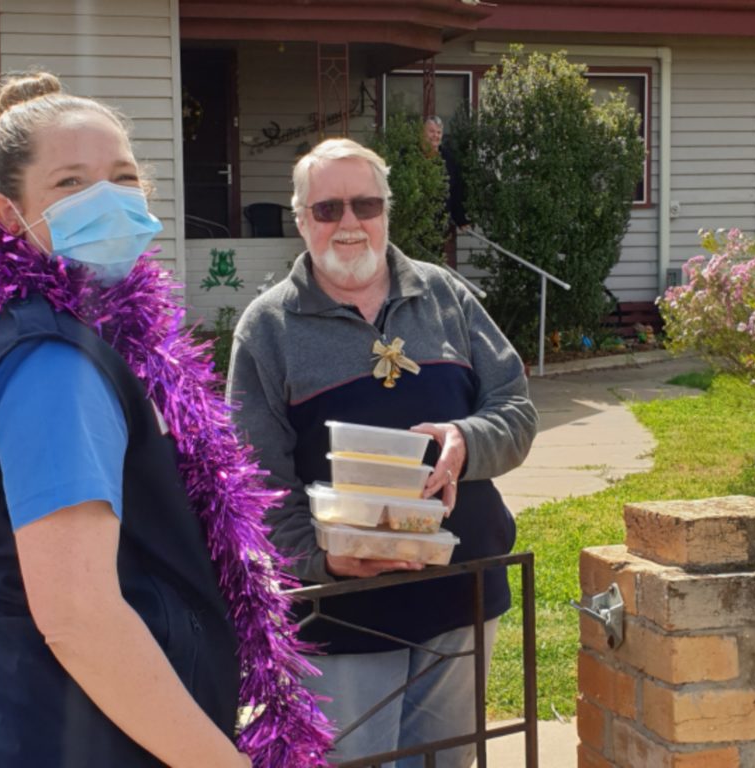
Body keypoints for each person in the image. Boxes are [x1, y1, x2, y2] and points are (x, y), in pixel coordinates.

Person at [0, 72, 329, 768]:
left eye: (122, 176)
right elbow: (81, 618)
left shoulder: (92, 337)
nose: (108, 200)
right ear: (5, 214)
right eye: (71, 184)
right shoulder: (55, 366)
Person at [227, 138, 537, 767]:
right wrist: (318, 561)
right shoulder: (268, 329)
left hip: (462, 591)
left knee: (448, 761)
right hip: (344, 614)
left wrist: (465, 440)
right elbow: (254, 483)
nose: (349, 223)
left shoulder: (446, 296)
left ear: (387, 211)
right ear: (300, 218)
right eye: (327, 208)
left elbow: (517, 410)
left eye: (365, 204)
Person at [424, 115, 469, 268]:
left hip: (439, 222)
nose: (435, 136)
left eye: (438, 132)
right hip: (416, 222)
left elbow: (455, 191)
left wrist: (461, 219)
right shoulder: (412, 155)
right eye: (431, 132)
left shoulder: (447, 159)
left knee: (435, 263)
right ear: (423, 133)